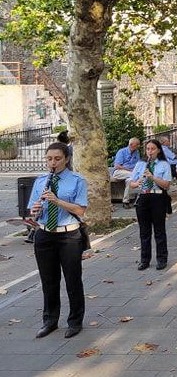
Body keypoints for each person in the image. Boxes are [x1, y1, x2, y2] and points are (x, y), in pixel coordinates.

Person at [28, 142, 88, 339]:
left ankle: (75, 321)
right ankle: (50, 321)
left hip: (68, 235)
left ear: (66, 159)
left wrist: (57, 201)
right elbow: (33, 212)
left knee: (72, 279)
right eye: (49, 159)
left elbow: (80, 210)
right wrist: (35, 212)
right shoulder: (40, 181)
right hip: (44, 234)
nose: (52, 162)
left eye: (57, 159)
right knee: (49, 280)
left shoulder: (77, 180)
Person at [129, 139, 173, 271]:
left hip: (158, 196)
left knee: (159, 230)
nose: (150, 152)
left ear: (158, 150)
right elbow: (131, 183)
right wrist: (137, 183)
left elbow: (166, 185)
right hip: (143, 196)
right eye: (148, 149)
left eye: (153, 149)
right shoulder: (140, 164)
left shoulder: (164, 164)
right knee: (144, 231)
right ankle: (144, 260)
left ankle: (161, 259)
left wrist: (152, 177)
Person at [110, 138, 141, 208]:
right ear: (131, 145)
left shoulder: (137, 152)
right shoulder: (122, 152)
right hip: (119, 172)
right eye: (137, 145)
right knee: (135, 176)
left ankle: (125, 201)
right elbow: (117, 166)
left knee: (130, 180)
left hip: (130, 174)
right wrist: (130, 170)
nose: (138, 146)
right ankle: (140, 197)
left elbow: (138, 164)